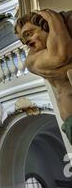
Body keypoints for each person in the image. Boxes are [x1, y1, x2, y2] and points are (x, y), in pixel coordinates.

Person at [15, 9, 72, 143]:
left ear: (46, 28)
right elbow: (61, 55)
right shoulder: (32, 61)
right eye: (24, 39)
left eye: (29, 34)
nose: (27, 41)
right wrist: (54, 19)